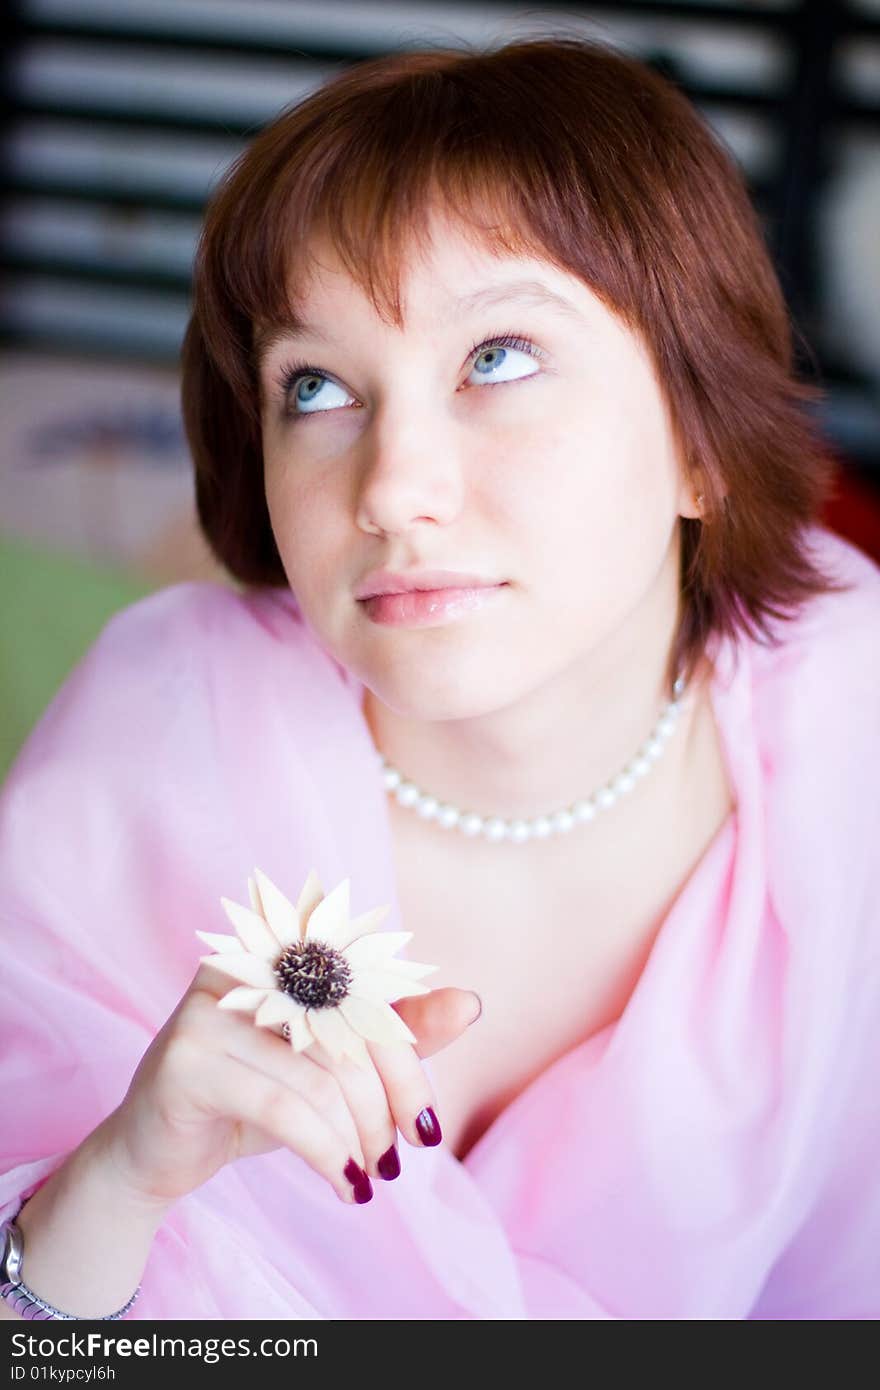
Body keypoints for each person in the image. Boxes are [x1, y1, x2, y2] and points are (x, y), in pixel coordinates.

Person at [1, 34, 878, 1322]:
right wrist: (120, 1181)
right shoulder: (155, 738)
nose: (394, 491)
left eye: (498, 357)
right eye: (316, 386)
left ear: (703, 446)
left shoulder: (852, 734)